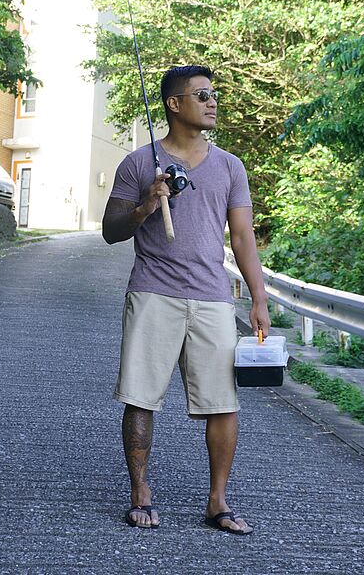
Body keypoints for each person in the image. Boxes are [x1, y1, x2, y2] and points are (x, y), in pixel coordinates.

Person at [102, 65, 270, 534]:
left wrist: (257, 299)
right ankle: (140, 492)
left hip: (214, 298)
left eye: (213, 94)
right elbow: (111, 231)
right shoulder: (139, 163)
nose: (212, 101)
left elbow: (242, 237)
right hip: (153, 292)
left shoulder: (230, 166)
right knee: (140, 398)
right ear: (175, 105)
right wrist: (146, 204)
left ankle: (218, 501)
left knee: (223, 402)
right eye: (201, 95)